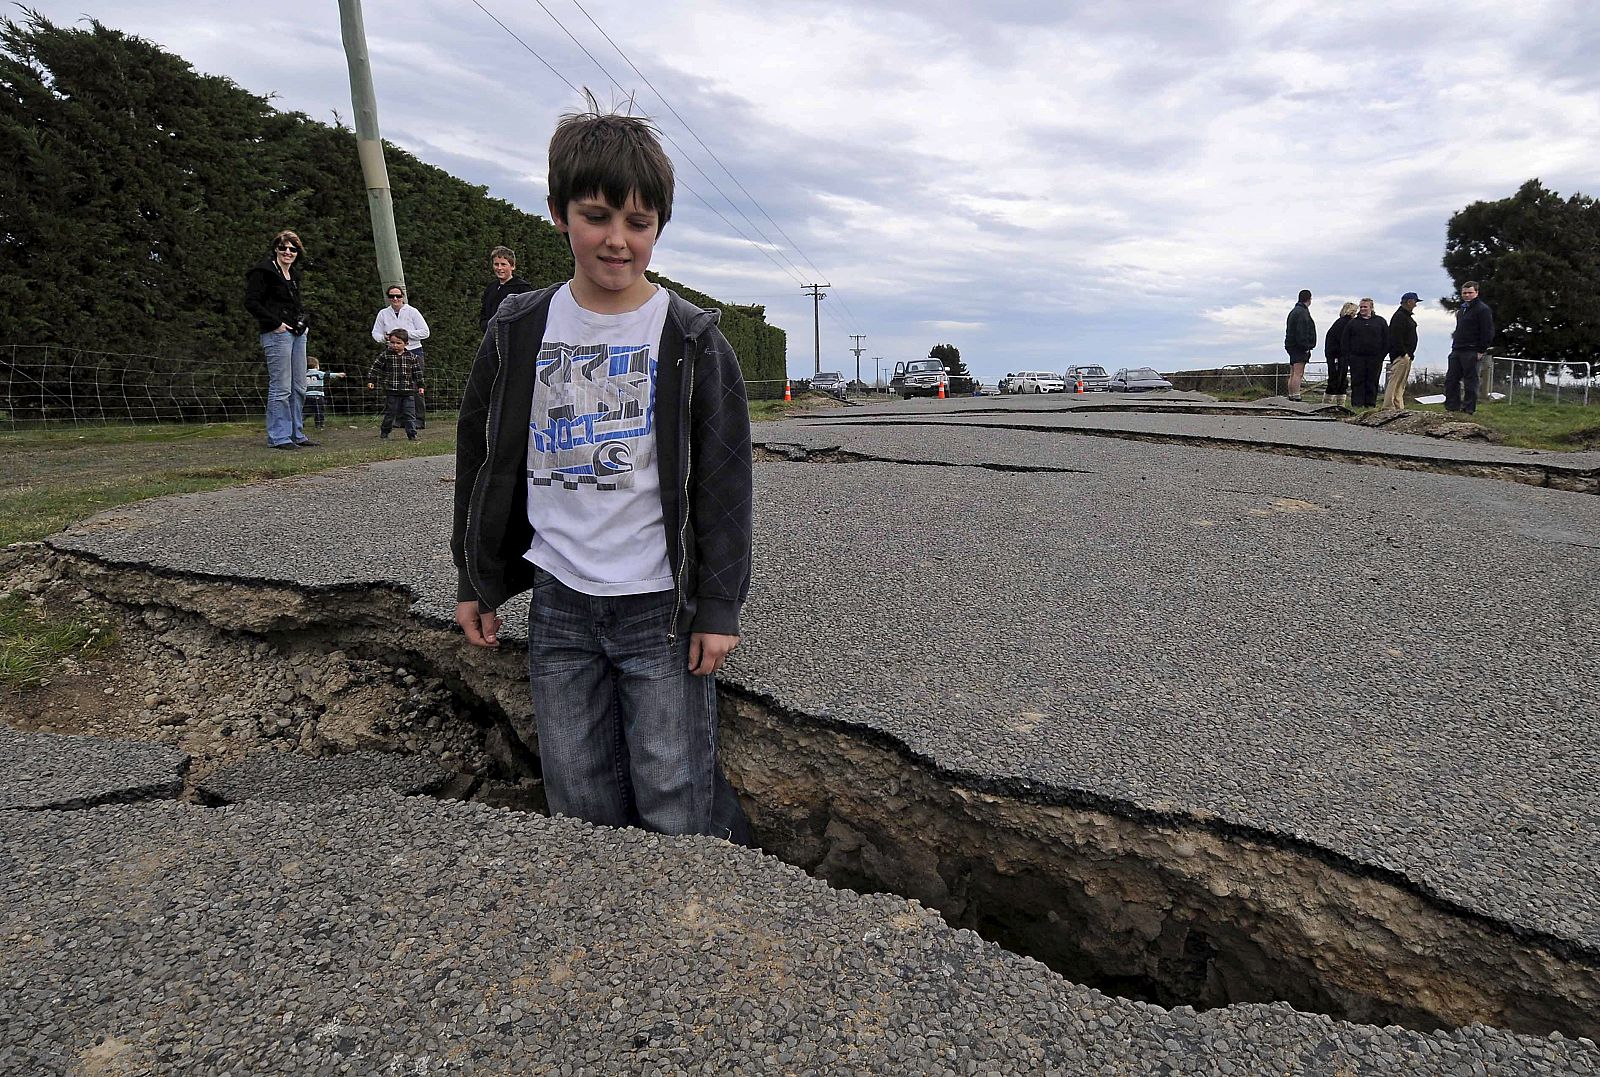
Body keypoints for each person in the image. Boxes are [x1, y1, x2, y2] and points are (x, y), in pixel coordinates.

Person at [452, 101, 753, 844]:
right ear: (558, 213)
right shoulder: (519, 328)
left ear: (659, 227)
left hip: (659, 606)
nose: (618, 240)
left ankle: (691, 926)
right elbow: (480, 457)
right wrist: (475, 577)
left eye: (639, 223)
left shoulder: (690, 337)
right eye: (597, 216)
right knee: (577, 793)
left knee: (673, 789)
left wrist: (718, 605)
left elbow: (723, 483)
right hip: (559, 603)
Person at [243, 229, 315, 449]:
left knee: (299, 386)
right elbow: (251, 302)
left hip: (297, 334)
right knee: (281, 387)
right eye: (283, 247)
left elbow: (295, 304)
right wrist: (276, 324)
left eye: (293, 249)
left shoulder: (294, 275)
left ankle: (296, 433)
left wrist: (304, 324)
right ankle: (279, 436)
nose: (288, 252)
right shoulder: (263, 271)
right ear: (276, 248)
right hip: (277, 334)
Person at [372, 285, 431, 429]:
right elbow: (376, 333)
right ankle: (398, 419)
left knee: (415, 386)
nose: (395, 299)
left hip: (413, 352)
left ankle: (418, 420)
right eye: (392, 296)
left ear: (403, 296)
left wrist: (403, 336)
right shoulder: (383, 314)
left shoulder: (412, 312)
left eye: (398, 296)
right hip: (392, 354)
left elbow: (425, 332)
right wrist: (386, 339)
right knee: (394, 386)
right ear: (388, 298)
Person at [1445, 280, 1495, 415]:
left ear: (1476, 293)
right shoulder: (1462, 310)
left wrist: (1481, 350)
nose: (1467, 295)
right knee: (1451, 379)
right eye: (1464, 293)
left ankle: (1468, 408)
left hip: (1472, 350)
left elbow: (1487, 331)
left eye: (1470, 293)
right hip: (1457, 349)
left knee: (1470, 380)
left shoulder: (1482, 310)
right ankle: (1452, 406)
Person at [366, 328, 424, 440]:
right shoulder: (386, 355)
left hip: (408, 392)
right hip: (392, 390)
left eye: (398, 343)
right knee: (390, 413)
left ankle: (412, 434)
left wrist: (421, 386)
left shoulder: (411, 357)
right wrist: (371, 380)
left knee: (409, 414)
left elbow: (417, 372)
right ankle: (385, 433)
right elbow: (375, 368)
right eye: (392, 342)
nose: (395, 345)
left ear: (406, 344)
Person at [1340, 298, 1389, 408]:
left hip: (1374, 358)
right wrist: (1349, 357)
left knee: (1372, 382)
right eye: (1361, 307)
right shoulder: (1353, 323)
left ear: (1371, 308)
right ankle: (1357, 405)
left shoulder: (1380, 322)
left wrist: (1381, 356)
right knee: (1357, 382)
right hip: (1357, 358)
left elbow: (1387, 340)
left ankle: (1370, 405)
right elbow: (1345, 341)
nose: (1362, 309)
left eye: (1365, 307)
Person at [479, 245, 533, 331]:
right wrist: (486, 326)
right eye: (496, 264)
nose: (499, 268)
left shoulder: (522, 288)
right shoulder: (491, 287)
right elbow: (484, 313)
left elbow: (527, 316)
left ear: (512, 266)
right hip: (491, 337)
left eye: (503, 264)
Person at [1383, 291, 1421, 410]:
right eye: (1415, 302)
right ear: (1409, 302)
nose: (1416, 305)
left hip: (1407, 355)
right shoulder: (1399, 316)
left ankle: (1398, 405)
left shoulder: (1406, 316)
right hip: (1401, 355)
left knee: (1401, 383)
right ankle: (1389, 405)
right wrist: (1403, 353)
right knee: (1395, 380)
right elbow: (1395, 336)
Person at [1283, 288, 1316, 401]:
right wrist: (1306, 346)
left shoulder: (1294, 311)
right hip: (1299, 346)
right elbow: (1302, 331)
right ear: (1309, 299)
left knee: (1293, 372)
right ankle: (1296, 394)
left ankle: (1291, 394)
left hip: (1291, 345)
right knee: (1298, 372)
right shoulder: (1302, 313)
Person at [1323, 301, 1356, 407]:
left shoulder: (1339, 323)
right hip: (1338, 355)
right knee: (1337, 379)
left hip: (1337, 355)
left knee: (1340, 379)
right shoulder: (1345, 324)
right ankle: (1330, 404)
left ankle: (1334, 403)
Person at [302, 356, 346, 431]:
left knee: (306, 410)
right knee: (319, 411)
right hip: (318, 396)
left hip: (307, 396)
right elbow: (328, 375)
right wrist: (339, 374)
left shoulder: (304, 374)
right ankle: (319, 425)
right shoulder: (319, 373)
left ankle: (300, 421)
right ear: (316, 366)